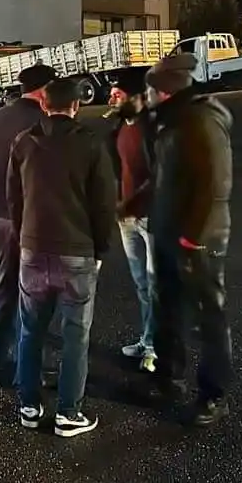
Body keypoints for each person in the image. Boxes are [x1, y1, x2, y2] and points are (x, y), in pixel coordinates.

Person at [9, 78, 115, 438]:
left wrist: (24, 237)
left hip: (33, 250)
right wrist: (101, 250)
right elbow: (103, 204)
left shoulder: (23, 142)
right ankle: (69, 412)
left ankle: (27, 405)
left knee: (30, 330)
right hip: (77, 251)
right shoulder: (90, 144)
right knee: (75, 335)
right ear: (76, 106)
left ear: (43, 104)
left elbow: (14, 200)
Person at [145, 53, 234, 426]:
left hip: (197, 238)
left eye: (150, 89)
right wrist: (128, 206)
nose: (146, 95)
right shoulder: (171, 121)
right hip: (166, 230)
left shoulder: (200, 120)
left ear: (164, 91)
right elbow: (164, 180)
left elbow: (214, 185)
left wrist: (193, 238)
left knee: (208, 314)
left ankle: (214, 395)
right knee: (168, 304)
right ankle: (170, 374)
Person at [0, 63, 57, 376]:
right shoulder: (44, 122)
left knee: (6, 282)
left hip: (0, 213)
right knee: (35, 290)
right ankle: (30, 363)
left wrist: (0, 188)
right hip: (33, 217)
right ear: (45, 90)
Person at [107, 72, 157, 373]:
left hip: (150, 216)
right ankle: (146, 339)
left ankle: (156, 347)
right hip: (127, 220)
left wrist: (129, 205)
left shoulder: (153, 129)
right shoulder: (118, 129)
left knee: (156, 285)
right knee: (141, 285)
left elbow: (161, 176)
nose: (112, 98)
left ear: (137, 97)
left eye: (118, 93)